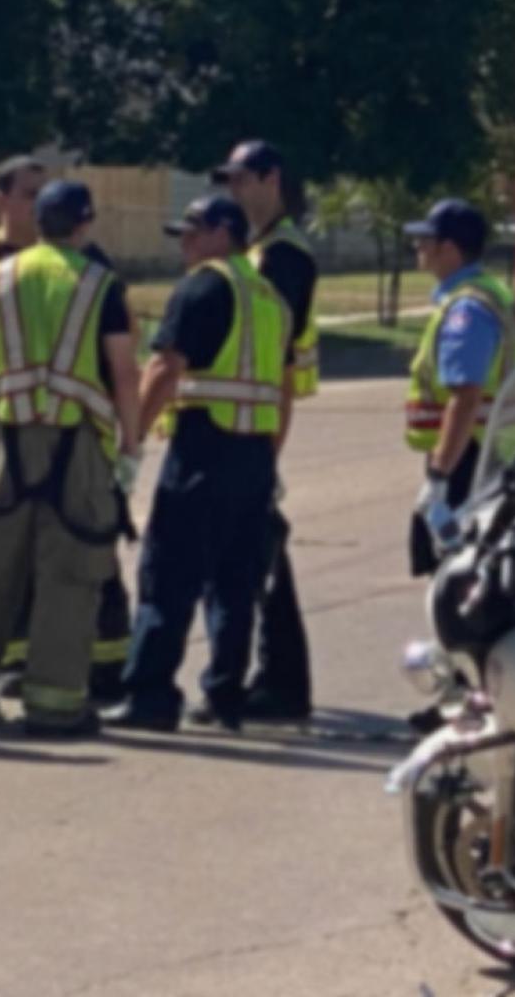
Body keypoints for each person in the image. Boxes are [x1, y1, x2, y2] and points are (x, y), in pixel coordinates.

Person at [0, 156, 137, 704]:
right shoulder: (94, 280)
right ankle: (54, 700)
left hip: (5, 440)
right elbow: (124, 370)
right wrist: (131, 448)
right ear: (82, 225)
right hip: (74, 443)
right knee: (70, 566)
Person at [105, 196, 292, 733]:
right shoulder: (269, 297)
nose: (183, 243)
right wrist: (269, 459)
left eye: (192, 231)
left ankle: (149, 695)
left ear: (224, 233)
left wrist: (132, 437)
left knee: (169, 573)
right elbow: (280, 389)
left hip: (204, 448)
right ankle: (224, 695)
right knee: (235, 581)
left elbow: (164, 368)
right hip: (253, 453)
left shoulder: (202, 287)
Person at [401, 199, 515, 732]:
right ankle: (471, 690)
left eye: (426, 240)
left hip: (469, 462)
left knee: (455, 582)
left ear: (450, 248)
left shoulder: (466, 310)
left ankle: (464, 697)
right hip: (491, 457)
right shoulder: (490, 294)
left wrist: (438, 477)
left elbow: (465, 396)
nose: (418, 249)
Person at [210, 139, 318, 723]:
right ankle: (278, 677)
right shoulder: (258, 249)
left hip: (259, 424)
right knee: (259, 554)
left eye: (243, 179)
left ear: (272, 179)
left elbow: (275, 357)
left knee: (263, 556)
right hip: (248, 424)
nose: (234, 190)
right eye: (228, 180)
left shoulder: (284, 256)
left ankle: (283, 682)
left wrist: (269, 451)